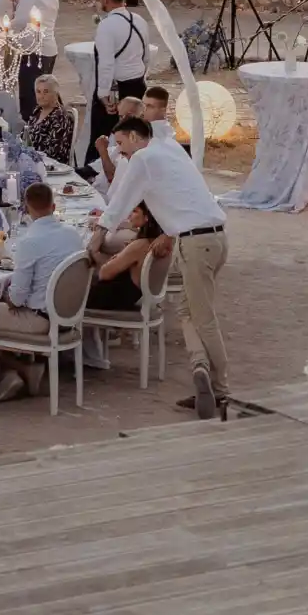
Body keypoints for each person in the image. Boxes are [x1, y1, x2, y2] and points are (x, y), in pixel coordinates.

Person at [99, 116, 227, 418]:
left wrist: (99, 233)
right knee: (187, 311)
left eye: (121, 144)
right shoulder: (169, 147)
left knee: (204, 317)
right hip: (217, 237)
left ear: (134, 137)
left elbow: (120, 202)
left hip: (195, 242)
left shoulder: (143, 157)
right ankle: (200, 368)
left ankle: (221, 389)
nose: (120, 153)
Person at [0, 183, 84, 400]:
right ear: (54, 207)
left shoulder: (30, 241)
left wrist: (6, 297)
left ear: (26, 209)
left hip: (40, 320)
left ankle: (11, 370)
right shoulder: (73, 235)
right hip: (70, 316)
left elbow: (16, 299)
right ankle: (24, 368)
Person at [90, 0, 151, 153]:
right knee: (135, 138)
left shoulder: (106, 25)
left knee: (104, 140)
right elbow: (146, 56)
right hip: (138, 86)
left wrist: (103, 96)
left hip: (116, 93)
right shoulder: (140, 21)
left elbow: (106, 63)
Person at [84, 202, 164, 312]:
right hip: (130, 295)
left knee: (71, 290)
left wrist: (95, 251)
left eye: (134, 211)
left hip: (115, 297)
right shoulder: (155, 241)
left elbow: (103, 273)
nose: (129, 214)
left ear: (146, 218)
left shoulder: (139, 245)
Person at [16, 0, 60, 118]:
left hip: (33, 50)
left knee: (30, 97)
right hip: (49, 47)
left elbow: (21, 19)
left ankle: (34, 128)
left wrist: (1, 29)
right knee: (47, 95)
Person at [23, 74, 76, 167]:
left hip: (50, 167)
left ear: (55, 94)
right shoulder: (37, 111)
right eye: (38, 92)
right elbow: (24, 137)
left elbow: (53, 153)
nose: (41, 96)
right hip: (30, 162)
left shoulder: (60, 117)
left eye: (46, 92)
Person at [93, 95, 146, 185]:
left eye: (127, 116)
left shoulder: (136, 142)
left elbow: (113, 178)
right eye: (121, 116)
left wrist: (102, 150)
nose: (122, 120)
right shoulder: (120, 133)